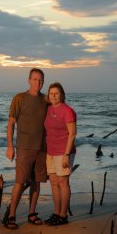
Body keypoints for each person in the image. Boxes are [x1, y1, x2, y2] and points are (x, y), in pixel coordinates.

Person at [5, 68, 48, 229]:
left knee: (37, 182)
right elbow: (10, 124)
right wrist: (10, 147)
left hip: (42, 149)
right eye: (35, 79)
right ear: (29, 80)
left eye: (41, 80)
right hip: (24, 147)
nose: (38, 82)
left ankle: (31, 213)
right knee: (20, 182)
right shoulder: (19, 98)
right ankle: (11, 215)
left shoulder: (46, 100)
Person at [44, 82, 77, 225]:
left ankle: (63, 216)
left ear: (62, 95)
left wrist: (66, 154)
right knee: (53, 182)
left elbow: (73, 133)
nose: (54, 96)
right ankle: (57, 213)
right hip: (50, 151)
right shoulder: (48, 109)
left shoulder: (67, 110)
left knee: (63, 182)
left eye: (56, 93)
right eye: (51, 93)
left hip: (64, 151)